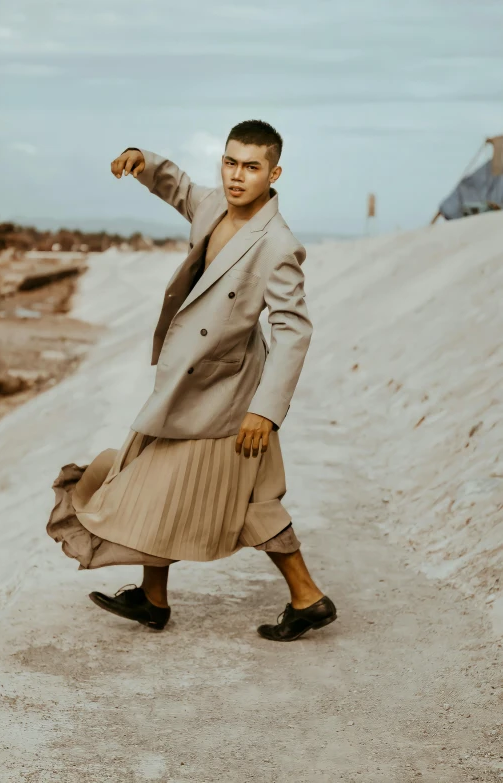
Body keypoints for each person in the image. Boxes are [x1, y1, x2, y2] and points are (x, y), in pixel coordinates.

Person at [47, 119, 337, 642]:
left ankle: (161, 599)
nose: (237, 176)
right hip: (190, 384)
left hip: (226, 398)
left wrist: (265, 410)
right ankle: (302, 598)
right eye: (230, 162)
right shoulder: (213, 206)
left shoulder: (278, 244)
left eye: (251, 167)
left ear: (274, 172)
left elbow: (293, 331)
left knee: (154, 480)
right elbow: (177, 185)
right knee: (242, 497)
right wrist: (142, 158)